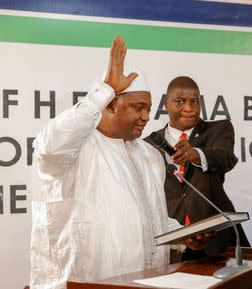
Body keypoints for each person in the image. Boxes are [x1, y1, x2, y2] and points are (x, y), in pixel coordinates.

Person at [29, 36, 210, 289]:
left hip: (148, 283)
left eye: (148, 108)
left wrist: (183, 236)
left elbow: (151, 220)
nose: (146, 117)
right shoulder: (75, 150)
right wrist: (101, 93)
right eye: (138, 108)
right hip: (84, 283)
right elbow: (49, 147)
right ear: (110, 105)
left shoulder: (148, 155)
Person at [145, 76, 250, 261]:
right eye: (180, 101)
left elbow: (225, 158)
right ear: (166, 103)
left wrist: (196, 154)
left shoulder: (218, 129)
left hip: (217, 241)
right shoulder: (149, 144)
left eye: (194, 101)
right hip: (175, 245)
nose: (189, 108)